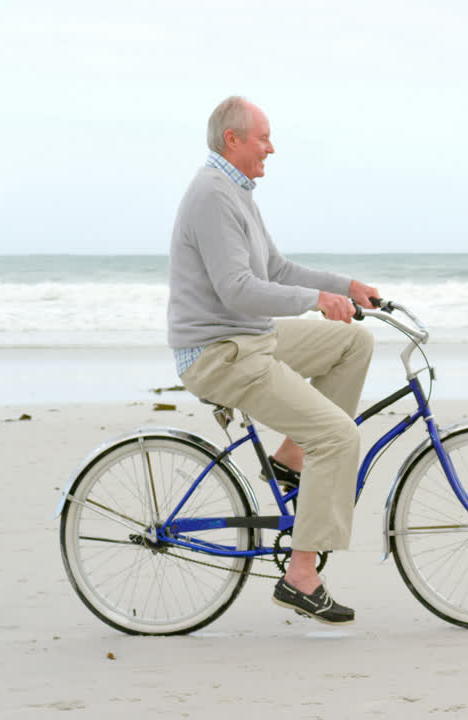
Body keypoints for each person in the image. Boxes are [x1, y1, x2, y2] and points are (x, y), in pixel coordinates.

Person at [167, 96, 378, 625]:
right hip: (220, 352)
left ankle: (291, 457)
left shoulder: (235, 191)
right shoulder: (213, 195)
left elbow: (276, 269)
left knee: (353, 343)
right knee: (339, 437)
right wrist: (315, 301)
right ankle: (300, 576)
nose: (271, 148)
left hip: (248, 336)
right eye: (263, 138)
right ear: (232, 139)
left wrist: (344, 286)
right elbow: (238, 289)